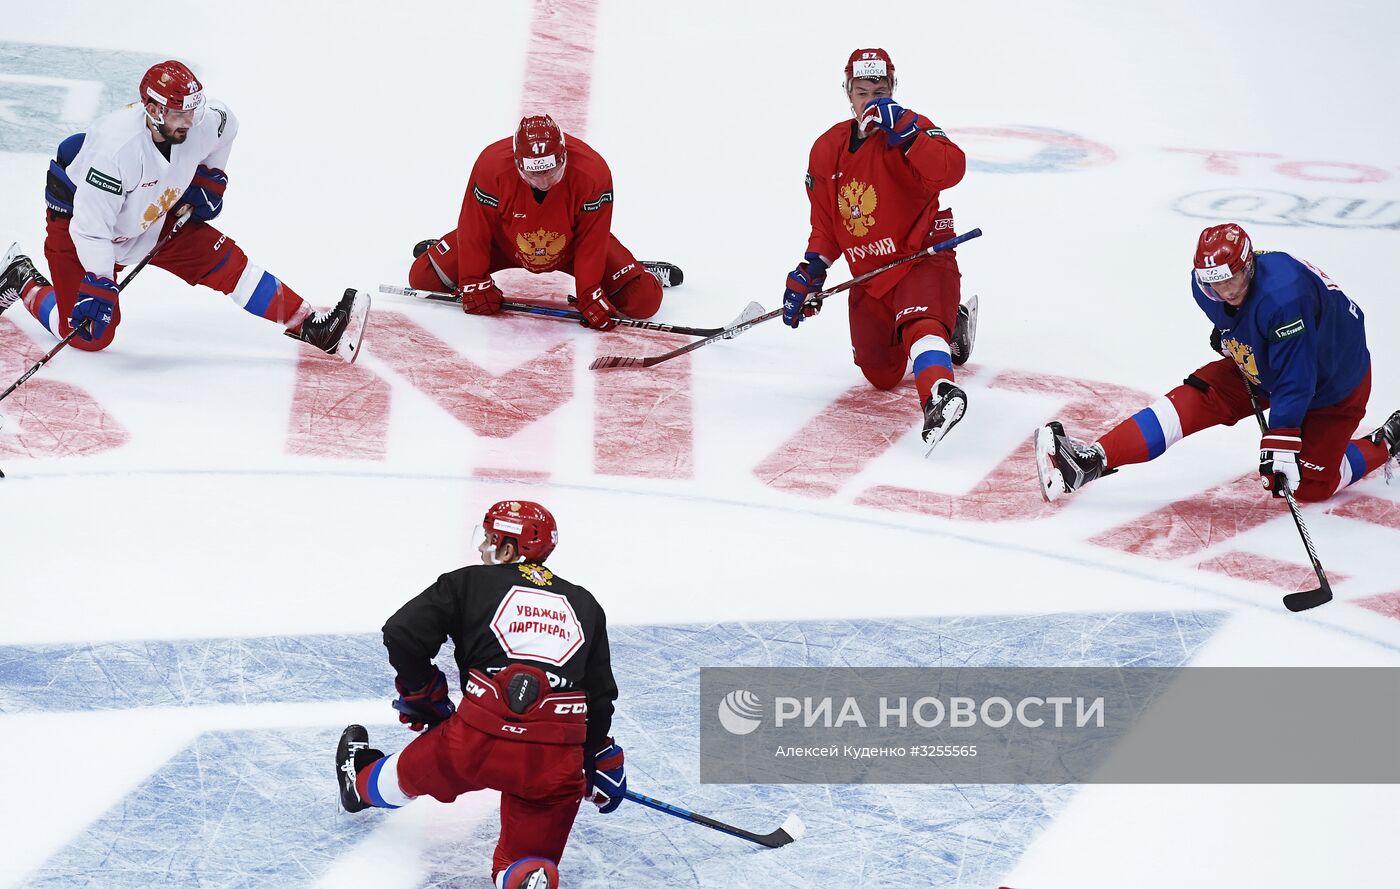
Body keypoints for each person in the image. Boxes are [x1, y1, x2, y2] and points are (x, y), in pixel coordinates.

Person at [335, 500, 623, 889]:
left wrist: (423, 693)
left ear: (508, 549)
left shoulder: (467, 582)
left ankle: (359, 785)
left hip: (475, 737)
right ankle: (524, 877)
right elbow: (599, 697)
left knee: (405, 773)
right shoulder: (586, 604)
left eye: (489, 539)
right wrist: (593, 755)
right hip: (553, 753)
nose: (483, 548)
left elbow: (402, 633)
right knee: (527, 860)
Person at [0, 60, 369, 362]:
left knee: (224, 261)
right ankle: (22, 278)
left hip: (149, 213)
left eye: (193, 109)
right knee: (87, 335)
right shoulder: (114, 153)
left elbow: (228, 125)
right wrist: (99, 279)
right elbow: (90, 230)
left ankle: (312, 325)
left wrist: (212, 175)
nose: (190, 121)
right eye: (179, 113)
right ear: (153, 109)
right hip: (80, 226)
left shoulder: (198, 123)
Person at [1036, 223, 1400, 503]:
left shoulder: (1284, 296)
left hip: (1333, 383)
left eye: (1233, 280)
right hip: (1273, 363)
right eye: (1215, 284)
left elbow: (1297, 379)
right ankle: (1092, 459)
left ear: (1250, 264)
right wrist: (1232, 333)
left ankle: (1386, 440)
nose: (1225, 292)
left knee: (1311, 486)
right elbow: (1239, 318)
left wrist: (1282, 439)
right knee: (1196, 398)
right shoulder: (1205, 286)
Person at [780, 48, 976, 454]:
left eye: (880, 90)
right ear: (847, 92)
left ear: (894, 89)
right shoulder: (825, 148)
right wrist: (811, 269)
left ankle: (939, 392)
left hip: (921, 257)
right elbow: (827, 225)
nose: (870, 100)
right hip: (870, 278)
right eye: (861, 91)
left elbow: (951, 169)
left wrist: (908, 135)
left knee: (919, 325)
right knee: (881, 375)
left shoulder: (911, 128)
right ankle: (950, 321)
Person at [407, 113, 681, 331]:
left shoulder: (593, 172)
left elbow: (592, 238)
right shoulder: (491, 165)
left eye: (552, 172)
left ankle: (641, 269)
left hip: (572, 247)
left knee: (644, 299)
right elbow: (474, 225)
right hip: (503, 242)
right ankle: (453, 251)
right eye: (534, 177)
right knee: (423, 277)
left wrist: (589, 291)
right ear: (517, 163)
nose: (544, 183)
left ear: (564, 157)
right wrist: (473, 278)